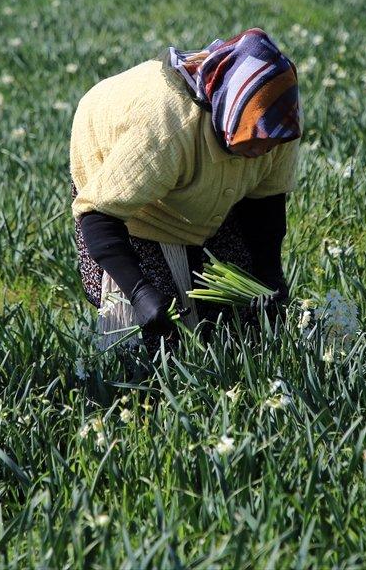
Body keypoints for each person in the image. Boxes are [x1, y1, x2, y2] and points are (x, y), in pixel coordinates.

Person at [70, 27, 301, 352]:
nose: (263, 151)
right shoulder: (165, 130)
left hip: (191, 182)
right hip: (127, 191)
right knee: (159, 337)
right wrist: (139, 292)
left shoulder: (278, 126)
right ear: (229, 114)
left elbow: (266, 208)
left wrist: (270, 276)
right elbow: (97, 215)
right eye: (252, 141)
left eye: (270, 143)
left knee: (239, 325)